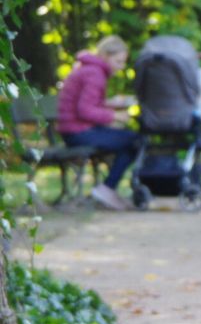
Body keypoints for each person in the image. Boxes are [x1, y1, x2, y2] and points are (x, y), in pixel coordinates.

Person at [57, 35, 140, 211]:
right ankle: (107, 189)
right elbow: (85, 110)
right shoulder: (95, 73)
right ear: (105, 55)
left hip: (72, 130)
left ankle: (108, 189)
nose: (121, 67)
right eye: (118, 61)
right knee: (135, 140)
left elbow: (87, 104)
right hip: (78, 133)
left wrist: (110, 104)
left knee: (128, 139)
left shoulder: (89, 69)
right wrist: (115, 116)